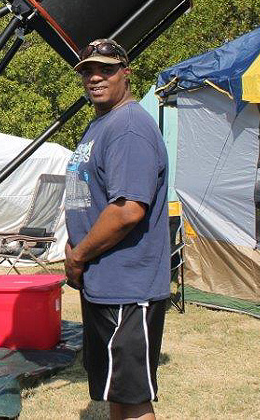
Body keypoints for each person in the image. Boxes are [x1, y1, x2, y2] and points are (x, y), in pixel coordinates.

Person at [63, 39, 170, 420]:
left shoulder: (128, 128)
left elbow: (127, 210)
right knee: (116, 394)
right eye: (87, 71)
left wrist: (77, 256)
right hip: (104, 283)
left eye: (106, 69)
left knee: (133, 398)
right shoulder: (102, 123)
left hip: (128, 286)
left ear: (126, 72)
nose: (95, 77)